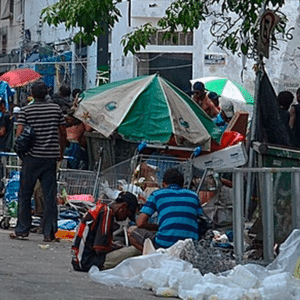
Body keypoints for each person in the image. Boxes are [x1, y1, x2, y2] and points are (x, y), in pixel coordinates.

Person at [9, 81, 67, 242]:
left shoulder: (26, 110)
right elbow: (62, 132)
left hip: (31, 158)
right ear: (47, 93)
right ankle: (49, 233)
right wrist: (60, 151)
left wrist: (21, 152)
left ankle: (22, 230)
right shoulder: (55, 109)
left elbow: (19, 133)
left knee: (25, 194)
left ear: (32, 94)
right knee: (49, 196)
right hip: (50, 158)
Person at [128, 168, 203, 251]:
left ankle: (154, 255)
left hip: (164, 244)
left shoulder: (157, 194)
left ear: (163, 184)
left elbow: (140, 223)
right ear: (182, 184)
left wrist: (157, 227)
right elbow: (200, 219)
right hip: (190, 245)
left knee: (132, 232)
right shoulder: (193, 195)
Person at [71, 191, 139, 272]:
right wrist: (116, 248)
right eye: (127, 215)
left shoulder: (100, 208)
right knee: (135, 250)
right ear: (123, 206)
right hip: (88, 262)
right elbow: (99, 248)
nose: (125, 219)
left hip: (78, 260)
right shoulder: (107, 213)